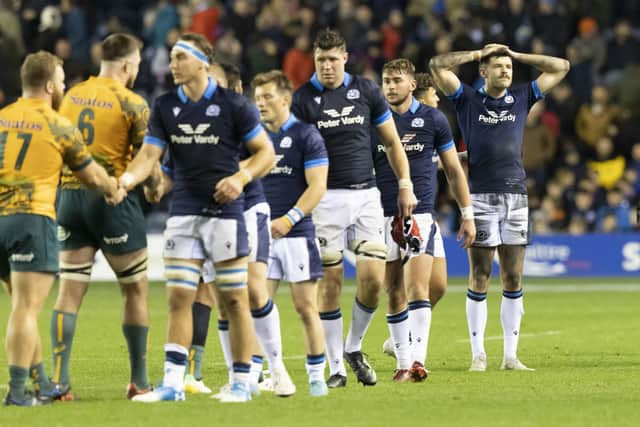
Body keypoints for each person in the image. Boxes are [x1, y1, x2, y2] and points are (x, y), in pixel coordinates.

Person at [119, 33, 275, 403]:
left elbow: (265, 153)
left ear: (202, 62)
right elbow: (148, 157)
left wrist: (240, 178)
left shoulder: (233, 105)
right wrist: (126, 180)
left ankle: (241, 382)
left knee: (235, 300)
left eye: (178, 57)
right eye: (171, 57)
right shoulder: (165, 106)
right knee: (179, 298)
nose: (171, 64)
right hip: (184, 213)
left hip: (225, 214)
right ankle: (173, 384)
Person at [430, 43, 570, 371]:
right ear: (484, 72)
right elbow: (438, 65)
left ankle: (510, 356)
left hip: (517, 197)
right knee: (480, 275)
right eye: (498, 66)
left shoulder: (522, 96)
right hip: (480, 196)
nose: (505, 71)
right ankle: (478, 354)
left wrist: (518, 56)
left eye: (508, 67)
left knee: (513, 277)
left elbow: (561, 66)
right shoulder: (467, 99)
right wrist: (478, 53)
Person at [291, 29, 416, 387]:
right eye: (320, 60)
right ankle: (335, 368)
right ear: (314, 60)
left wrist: (405, 184)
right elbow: (294, 151)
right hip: (324, 199)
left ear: (345, 57)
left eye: (332, 59)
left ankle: (353, 346)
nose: (326, 67)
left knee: (374, 280)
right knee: (330, 283)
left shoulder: (365, 91)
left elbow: (392, 142)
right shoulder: (303, 100)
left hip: (365, 196)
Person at [1, 51, 124, 406]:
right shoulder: (57, 125)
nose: (65, 85)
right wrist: (113, 188)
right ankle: (18, 391)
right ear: (51, 85)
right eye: (63, 79)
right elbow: (91, 176)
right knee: (26, 308)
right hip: (31, 218)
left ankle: (41, 383)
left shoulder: (3, 118)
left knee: (21, 306)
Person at [49, 33, 152, 401]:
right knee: (135, 287)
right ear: (127, 65)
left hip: (69, 199)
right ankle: (139, 382)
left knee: (69, 292)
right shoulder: (132, 102)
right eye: (137, 65)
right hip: (111, 199)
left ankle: (60, 384)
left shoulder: (71, 95)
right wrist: (154, 186)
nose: (137, 71)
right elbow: (147, 156)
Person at [373, 59, 475, 382]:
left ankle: (417, 360)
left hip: (419, 215)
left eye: (396, 80)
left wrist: (467, 213)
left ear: (411, 84)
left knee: (426, 287)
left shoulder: (433, 119)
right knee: (393, 291)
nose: (390, 86)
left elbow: (454, 170)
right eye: (386, 80)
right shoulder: (373, 120)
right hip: (380, 215)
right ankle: (403, 359)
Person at [253, 70, 329, 396]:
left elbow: (318, 186)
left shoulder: (306, 135)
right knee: (257, 304)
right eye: (257, 99)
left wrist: (289, 219)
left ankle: (316, 378)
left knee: (305, 307)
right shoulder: (253, 138)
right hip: (261, 235)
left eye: (267, 97)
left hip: (297, 235)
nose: (261, 104)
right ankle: (267, 374)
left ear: (286, 99)